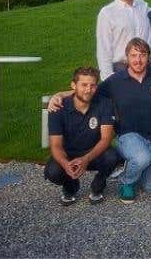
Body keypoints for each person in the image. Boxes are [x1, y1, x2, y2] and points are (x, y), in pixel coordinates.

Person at [48, 38, 151, 204]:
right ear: (126, 58)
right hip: (128, 135)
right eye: (133, 55)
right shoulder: (115, 81)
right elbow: (89, 90)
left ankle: (133, 166)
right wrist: (59, 95)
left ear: (148, 57)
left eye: (143, 55)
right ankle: (127, 181)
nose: (138, 60)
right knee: (142, 158)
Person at [44, 67, 119, 206]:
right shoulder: (58, 107)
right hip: (68, 155)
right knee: (53, 172)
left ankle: (99, 184)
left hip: (94, 153)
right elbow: (56, 145)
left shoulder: (105, 103)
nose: (88, 90)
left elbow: (106, 139)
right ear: (73, 85)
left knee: (112, 156)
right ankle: (70, 186)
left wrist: (85, 159)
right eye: (84, 85)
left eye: (92, 85)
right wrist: (65, 164)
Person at [96, 0, 151, 80]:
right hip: (121, 68)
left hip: (145, 67)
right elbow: (103, 47)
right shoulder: (107, 13)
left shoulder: (143, 6)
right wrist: (107, 77)